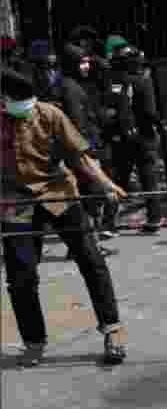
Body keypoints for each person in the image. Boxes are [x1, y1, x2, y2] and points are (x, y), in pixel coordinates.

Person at [0, 66, 129, 367]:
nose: (25, 106)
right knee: (21, 277)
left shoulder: (50, 115)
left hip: (60, 194)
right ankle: (33, 342)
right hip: (15, 202)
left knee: (92, 260)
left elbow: (80, 156)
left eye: (28, 100)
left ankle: (114, 331)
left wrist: (106, 185)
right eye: (16, 100)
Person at [57, 43, 114, 258]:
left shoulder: (73, 84)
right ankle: (88, 246)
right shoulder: (70, 88)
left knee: (87, 197)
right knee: (91, 196)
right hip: (82, 151)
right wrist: (88, 152)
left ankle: (85, 245)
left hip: (81, 149)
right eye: (82, 62)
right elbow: (77, 123)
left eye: (87, 61)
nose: (86, 65)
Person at [102, 44, 164, 234]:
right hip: (143, 137)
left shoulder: (113, 82)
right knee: (149, 178)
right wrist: (160, 125)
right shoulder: (142, 82)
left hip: (121, 138)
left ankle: (109, 222)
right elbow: (149, 111)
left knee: (118, 180)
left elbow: (108, 109)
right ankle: (154, 219)